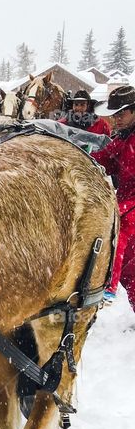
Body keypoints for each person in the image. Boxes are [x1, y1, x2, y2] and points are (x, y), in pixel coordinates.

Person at [92, 86, 135, 312]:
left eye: (121, 113)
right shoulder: (122, 139)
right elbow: (103, 159)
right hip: (127, 200)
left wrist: (123, 207)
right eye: (114, 114)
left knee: (117, 228)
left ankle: (107, 288)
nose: (116, 119)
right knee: (130, 269)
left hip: (131, 205)